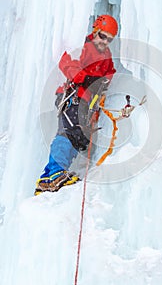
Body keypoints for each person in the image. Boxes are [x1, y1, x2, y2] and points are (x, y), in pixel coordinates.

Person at [34, 15, 118, 195]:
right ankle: (55, 172)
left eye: (109, 40)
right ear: (95, 31)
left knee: (78, 138)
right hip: (73, 95)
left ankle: (47, 178)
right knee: (68, 132)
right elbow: (66, 62)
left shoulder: (106, 56)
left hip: (87, 103)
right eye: (102, 36)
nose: (105, 42)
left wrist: (103, 82)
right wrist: (85, 77)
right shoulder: (82, 46)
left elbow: (110, 72)